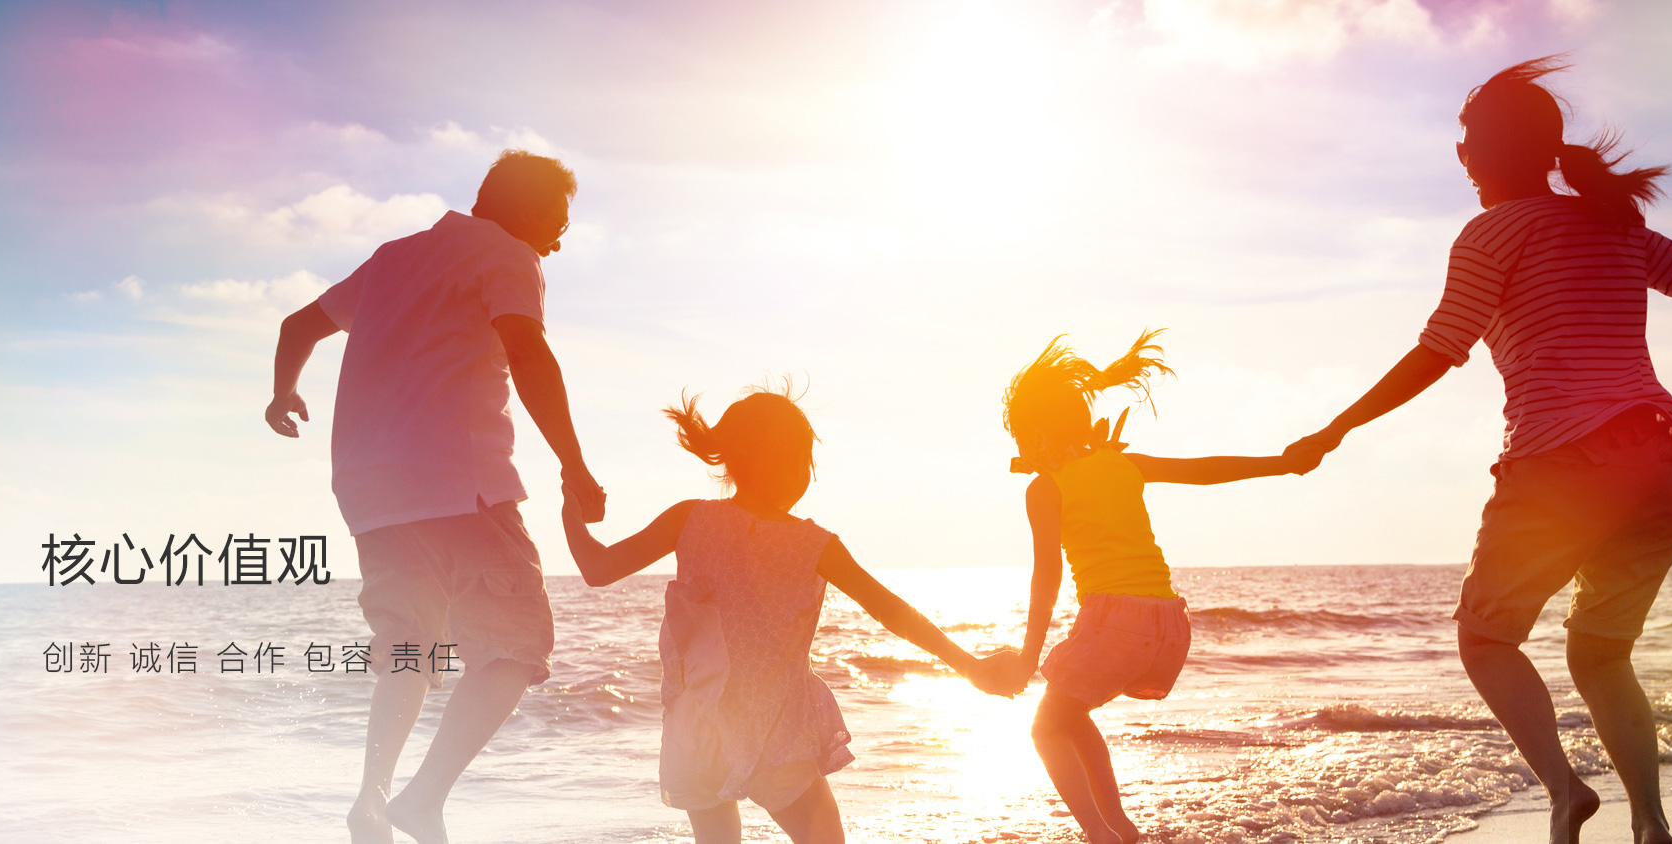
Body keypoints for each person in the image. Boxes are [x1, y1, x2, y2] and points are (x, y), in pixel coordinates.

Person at [1284, 57, 1672, 844]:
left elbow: (1439, 349)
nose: (1461, 153)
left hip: (1561, 466)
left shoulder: (1490, 233)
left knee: (1485, 638)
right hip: (1657, 471)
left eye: (1468, 140)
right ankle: (1650, 824)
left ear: (1489, 153)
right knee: (1601, 655)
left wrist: (1336, 427)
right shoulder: (1612, 223)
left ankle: (1564, 792)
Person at [264, 150, 608, 844]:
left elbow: (296, 327)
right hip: (457, 481)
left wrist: (283, 393)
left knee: (408, 646)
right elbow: (528, 352)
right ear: (526, 206)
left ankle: (371, 800)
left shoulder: (393, 257)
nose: (558, 240)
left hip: (369, 490)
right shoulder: (507, 253)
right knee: (518, 644)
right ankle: (422, 800)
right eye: (558, 221)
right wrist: (574, 465)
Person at [559, 385, 1019, 844]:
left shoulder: (689, 519)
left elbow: (597, 569)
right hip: (772, 725)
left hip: (698, 728)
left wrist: (570, 509)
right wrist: (970, 666)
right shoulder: (814, 544)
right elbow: (890, 611)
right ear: (793, 463)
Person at [991, 330, 1309, 844]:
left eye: (1022, 438)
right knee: (1070, 715)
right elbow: (1204, 472)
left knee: (1045, 728)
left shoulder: (1044, 489)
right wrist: (1282, 463)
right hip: (1168, 625)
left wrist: (1028, 658)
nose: (1021, 451)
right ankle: (1120, 828)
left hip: (1113, 622)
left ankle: (1099, 834)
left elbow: (1046, 576)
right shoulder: (1124, 464)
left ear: (1040, 435)